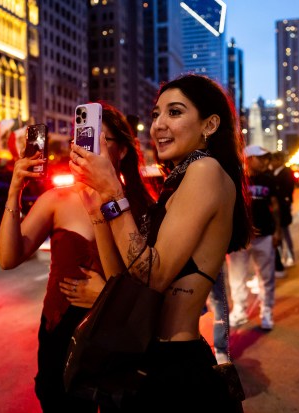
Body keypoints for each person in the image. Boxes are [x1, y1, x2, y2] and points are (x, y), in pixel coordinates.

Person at [69, 74, 250, 412]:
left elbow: (154, 275)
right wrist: (98, 209)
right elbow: (122, 279)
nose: (158, 125)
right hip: (148, 360)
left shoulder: (206, 170)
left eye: (175, 112)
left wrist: (114, 192)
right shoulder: (178, 181)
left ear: (210, 124)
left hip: (176, 369)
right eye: (155, 114)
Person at [0, 103, 155, 412]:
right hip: (61, 333)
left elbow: (151, 281)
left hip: (116, 336)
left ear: (121, 151)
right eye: (81, 140)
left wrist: (104, 295)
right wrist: (15, 188)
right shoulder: (57, 199)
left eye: (98, 141)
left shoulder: (138, 206)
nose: (85, 150)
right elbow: (7, 258)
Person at [227, 145, 281, 330]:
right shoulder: (235, 178)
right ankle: (239, 310)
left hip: (265, 235)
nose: (266, 161)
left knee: (267, 277)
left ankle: (266, 311)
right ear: (248, 159)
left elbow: (275, 206)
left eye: (267, 158)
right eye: (261, 158)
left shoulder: (269, 179)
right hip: (240, 238)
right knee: (237, 277)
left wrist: (277, 231)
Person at [270, 150, 296, 270]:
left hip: (283, 208)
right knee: (278, 233)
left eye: (273, 160)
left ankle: (290, 255)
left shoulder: (286, 172)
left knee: (285, 232)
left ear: (279, 161)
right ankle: (280, 257)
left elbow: (287, 190)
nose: (271, 162)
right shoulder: (272, 172)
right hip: (276, 209)